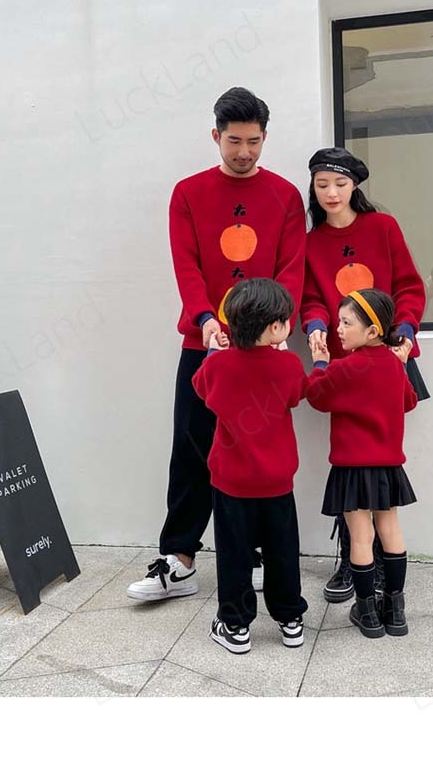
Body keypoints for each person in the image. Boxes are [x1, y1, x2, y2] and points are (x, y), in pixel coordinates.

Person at [126, 88, 306, 602]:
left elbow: (291, 269)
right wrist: (206, 319)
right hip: (204, 344)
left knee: (256, 450)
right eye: (234, 141)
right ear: (215, 136)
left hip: (265, 350)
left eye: (253, 141)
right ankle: (179, 559)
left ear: (265, 137)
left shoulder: (286, 196)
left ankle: (251, 553)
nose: (244, 151)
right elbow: (186, 266)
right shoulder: (188, 193)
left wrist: (274, 329)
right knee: (191, 447)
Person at [300, 146, 426, 605]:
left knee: (376, 459)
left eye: (340, 183)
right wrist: (316, 327)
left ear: (355, 186)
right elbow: (311, 298)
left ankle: (374, 567)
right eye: (322, 184)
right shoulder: (311, 242)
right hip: (341, 362)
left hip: (389, 354)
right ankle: (354, 561)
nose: (331, 193)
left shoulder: (383, 227)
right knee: (349, 462)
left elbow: (409, 286)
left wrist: (404, 333)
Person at [193, 278, 309, 654]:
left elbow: (201, 387)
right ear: (274, 327)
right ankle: (290, 620)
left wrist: (213, 352)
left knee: (234, 555)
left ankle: (235, 625)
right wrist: (282, 355)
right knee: (282, 552)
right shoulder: (288, 365)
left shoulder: (219, 366)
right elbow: (298, 393)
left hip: (231, 482)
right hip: (277, 482)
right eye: (284, 320)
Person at [307, 288, 418, 638]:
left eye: (346, 323)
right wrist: (400, 366)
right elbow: (409, 402)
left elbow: (316, 396)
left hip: (352, 467)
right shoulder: (393, 365)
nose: (338, 329)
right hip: (388, 467)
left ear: (372, 330)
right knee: (390, 530)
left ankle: (368, 613)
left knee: (360, 536)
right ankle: (396, 611)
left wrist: (320, 363)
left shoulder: (344, 368)